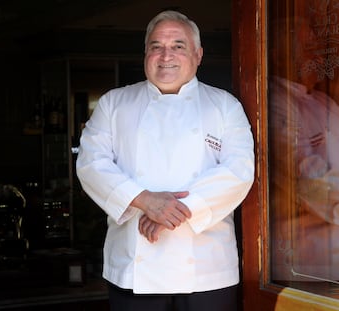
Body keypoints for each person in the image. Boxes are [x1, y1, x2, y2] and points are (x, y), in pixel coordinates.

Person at [76, 10, 255, 311]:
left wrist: (172, 210)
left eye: (178, 46)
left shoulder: (225, 105)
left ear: (198, 54)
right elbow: (92, 165)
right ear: (145, 53)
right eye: (156, 46)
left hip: (206, 269)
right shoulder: (113, 103)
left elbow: (239, 172)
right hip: (134, 267)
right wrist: (145, 201)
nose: (165, 55)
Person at [269, 16, 339, 284]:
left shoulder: (323, 100)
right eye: (307, 47)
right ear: (279, 52)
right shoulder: (275, 100)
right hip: (309, 257)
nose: (317, 53)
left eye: (317, 46)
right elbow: (305, 172)